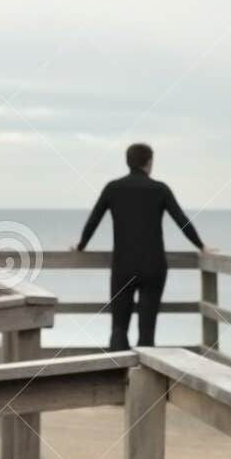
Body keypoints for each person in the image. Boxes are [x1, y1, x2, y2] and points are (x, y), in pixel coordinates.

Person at [73, 143, 204, 349]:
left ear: (128, 162)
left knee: (119, 327)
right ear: (149, 162)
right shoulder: (160, 189)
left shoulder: (113, 188)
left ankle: (118, 375)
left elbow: (93, 220)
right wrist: (201, 246)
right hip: (154, 266)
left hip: (123, 266)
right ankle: (145, 377)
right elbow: (182, 221)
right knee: (147, 330)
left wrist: (81, 246)